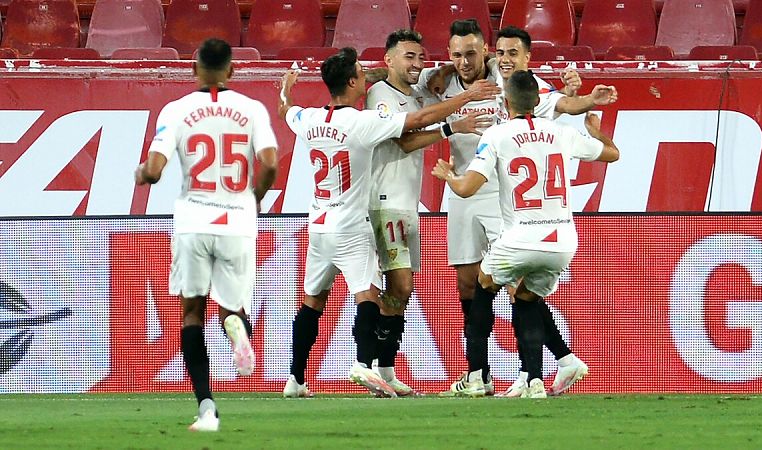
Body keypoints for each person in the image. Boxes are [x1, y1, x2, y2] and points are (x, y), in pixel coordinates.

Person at [278, 47, 499, 398]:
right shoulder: (362, 123)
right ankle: (364, 365)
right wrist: (466, 99)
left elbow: (286, 110)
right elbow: (413, 122)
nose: (366, 76)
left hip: (317, 225)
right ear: (352, 82)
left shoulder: (308, 120)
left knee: (312, 300)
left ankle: (295, 379)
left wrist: (287, 90)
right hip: (351, 225)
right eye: (361, 73)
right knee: (368, 295)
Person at [431, 69, 619, 397]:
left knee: (484, 289)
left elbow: (467, 188)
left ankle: (476, 375)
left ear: (506, 102)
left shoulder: (498, 135)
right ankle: (534, 380)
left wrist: (448, 175)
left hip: (519, 237)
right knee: (529, 297)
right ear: (539, 100)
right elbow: (612, 154)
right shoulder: (560, 132)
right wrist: (596, 132)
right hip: (562, 241)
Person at [135, 38, 279, 431]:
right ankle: (237, 332)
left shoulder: (177, 110)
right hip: (237, 219)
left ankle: (207, 410)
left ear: (194, 69)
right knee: (232, 308)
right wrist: (254, 197)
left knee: (191, 313)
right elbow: (269, 162)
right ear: (232, 70)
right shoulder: (252, 109)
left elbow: (156, 167)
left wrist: (142, 174)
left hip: (194, 220)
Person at [366, 29, 493, 396]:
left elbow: (441, 73)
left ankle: (384, 373)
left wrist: (443, 72)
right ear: (389, 60)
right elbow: (405, 140)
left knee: (399, 291)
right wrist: (455, 123)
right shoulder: (381, 95)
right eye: (408, 57)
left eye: (420, 57)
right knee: (398, 286)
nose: (416, 64)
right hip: (385, 201)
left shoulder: (417, 88)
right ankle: (372, 365)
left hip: (406, 204)